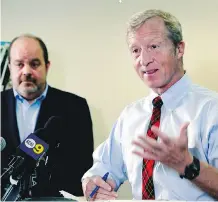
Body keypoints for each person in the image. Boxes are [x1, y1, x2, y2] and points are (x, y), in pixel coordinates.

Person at [82, 9, 218, 200]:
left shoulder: (212, 109)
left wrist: (187, 165)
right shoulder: (130, 115)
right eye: (136, 50)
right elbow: (103, 169)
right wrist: (91, 184)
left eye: (154, 46)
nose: (144, 60)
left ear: (179, 49)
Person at [1, 34, 94, 199]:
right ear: (9, 67)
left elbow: (83, 169)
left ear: (47, 66)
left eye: (34, 64)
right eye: (19, 64)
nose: (27, 71)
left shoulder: (75, 107)